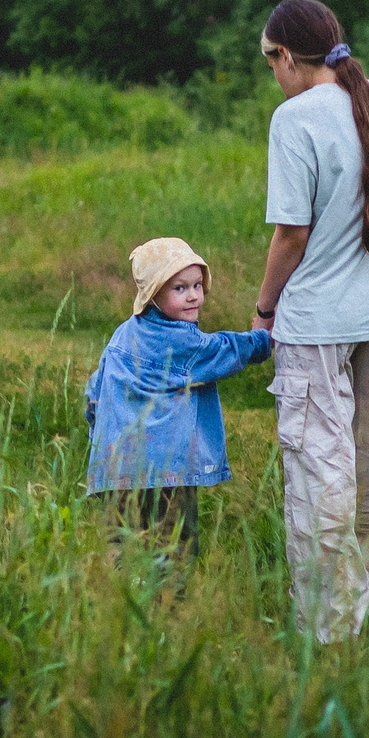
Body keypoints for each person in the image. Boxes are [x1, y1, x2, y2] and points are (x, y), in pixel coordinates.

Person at [248, 0, 369, 642]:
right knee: (365, 466)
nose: (273, 73)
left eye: (270, 60)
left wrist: (264, 310)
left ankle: (327, 634)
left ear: (287, 56)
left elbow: (291, 233)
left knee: (321, 474)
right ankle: (355, 614)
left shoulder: (294, 118)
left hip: (319, 319)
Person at [83, 238, 273, 559]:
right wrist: (262, 339)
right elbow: (223, 350)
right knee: (172, 549)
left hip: (116, 468)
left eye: (197, 285)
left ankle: (119, 589)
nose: (193, 296)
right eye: (179, 288)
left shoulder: (122, 334)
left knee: (121, 546)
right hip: (165, 472)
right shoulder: (183, 342)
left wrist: (100, 433)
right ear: (153, 295)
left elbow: (94, 393)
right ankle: (168, 590)